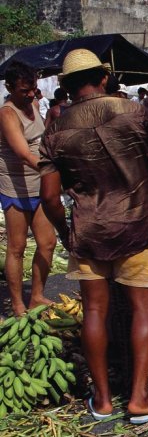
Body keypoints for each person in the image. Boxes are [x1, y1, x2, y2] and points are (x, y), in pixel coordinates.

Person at [38, 48, 148, 423]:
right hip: (135, 226)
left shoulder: (56, 129)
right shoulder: (133, 112)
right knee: (144, 309)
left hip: (89, 229)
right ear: (103, 77)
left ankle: (103, 400)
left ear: (66, 85)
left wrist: (66, 232)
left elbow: (50, 196)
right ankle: (140, 400)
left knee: (94, 311)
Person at [0, 61, 56, 316]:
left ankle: (36, 295)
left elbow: (42, 141)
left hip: (39, 184)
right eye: (25, 90)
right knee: (17, 246)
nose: (31, 94)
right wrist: (55, 172)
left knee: (47, 243)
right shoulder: (7, 113)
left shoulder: (34, 105)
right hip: (15, 186)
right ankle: (17, 303)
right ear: (10, 87)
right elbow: (23, 154)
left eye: (33, 88)